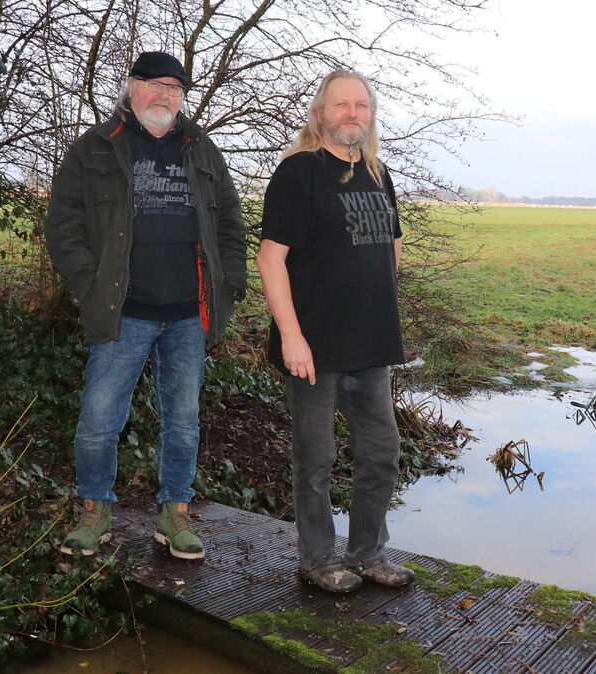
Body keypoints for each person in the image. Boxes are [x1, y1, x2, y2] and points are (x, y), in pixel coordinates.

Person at [46, 51, 247, 560]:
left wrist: (232, 285)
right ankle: (95, 513)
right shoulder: (95, 147)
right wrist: (89, 288)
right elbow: (64, 226)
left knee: (182, 420)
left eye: (175, 88)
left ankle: (174, 515)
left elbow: (229, 226)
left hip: (188, 313)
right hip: (123, 311)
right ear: (131, 87)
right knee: (98, 419)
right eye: (155, 84)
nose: (165, 95)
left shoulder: (202, 148)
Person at [256, 69, 413, 594]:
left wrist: (382, 308)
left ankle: (368, 553)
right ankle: (318, 559)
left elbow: (391, 247)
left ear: (370, 115)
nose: (352, 114)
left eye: (361, 106)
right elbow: (271, 260)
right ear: (321, 113)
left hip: (371, 346)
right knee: (316, 458)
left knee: (382, 453)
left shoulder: (378, 173)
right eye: (341, 105)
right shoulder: (298, 173)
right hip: (314, 348)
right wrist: (292, 337)